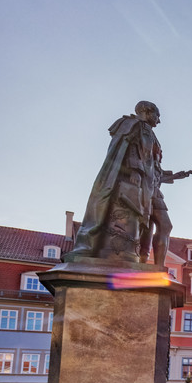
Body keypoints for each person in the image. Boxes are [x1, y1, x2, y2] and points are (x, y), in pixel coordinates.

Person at [68, 101, 167, 262]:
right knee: (129, 218)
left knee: (150, 222)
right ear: (147, 112)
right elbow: (126, 149)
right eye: (157, 115)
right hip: (130, 182)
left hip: (148, 186)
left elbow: (152, 163)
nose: (159, 120)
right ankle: (118, 252)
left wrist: (170, 175)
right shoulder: (131, 124)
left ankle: (143, 258)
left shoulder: (150, 134)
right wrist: (134, 169)